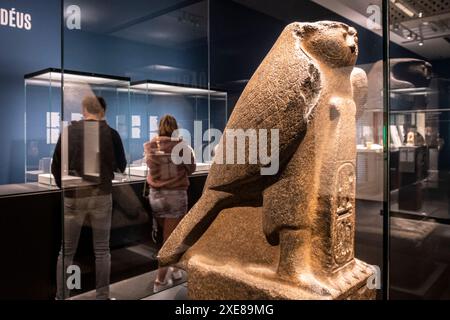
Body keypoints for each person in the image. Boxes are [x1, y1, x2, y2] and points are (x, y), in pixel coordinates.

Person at [51, 96, 127, 300]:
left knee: (66, 252)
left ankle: (61, 297)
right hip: (102, 195)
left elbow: (55, 166)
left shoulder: (68, 131)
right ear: (103, 111)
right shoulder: (111, 134)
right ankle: (102, 296)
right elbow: (122, 166)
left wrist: (66, 188)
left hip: (73, 197)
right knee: (102, 250)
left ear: (84, 110)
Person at [144, 114, 196, 293]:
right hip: (175, 196)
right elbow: (191, 168)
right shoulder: (181, 147)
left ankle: (173, 270)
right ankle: (160, 280)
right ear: (176, 128)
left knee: (167, 238)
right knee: (170, 241)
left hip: (155, 197)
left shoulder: (151, 146)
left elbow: (150, 167)